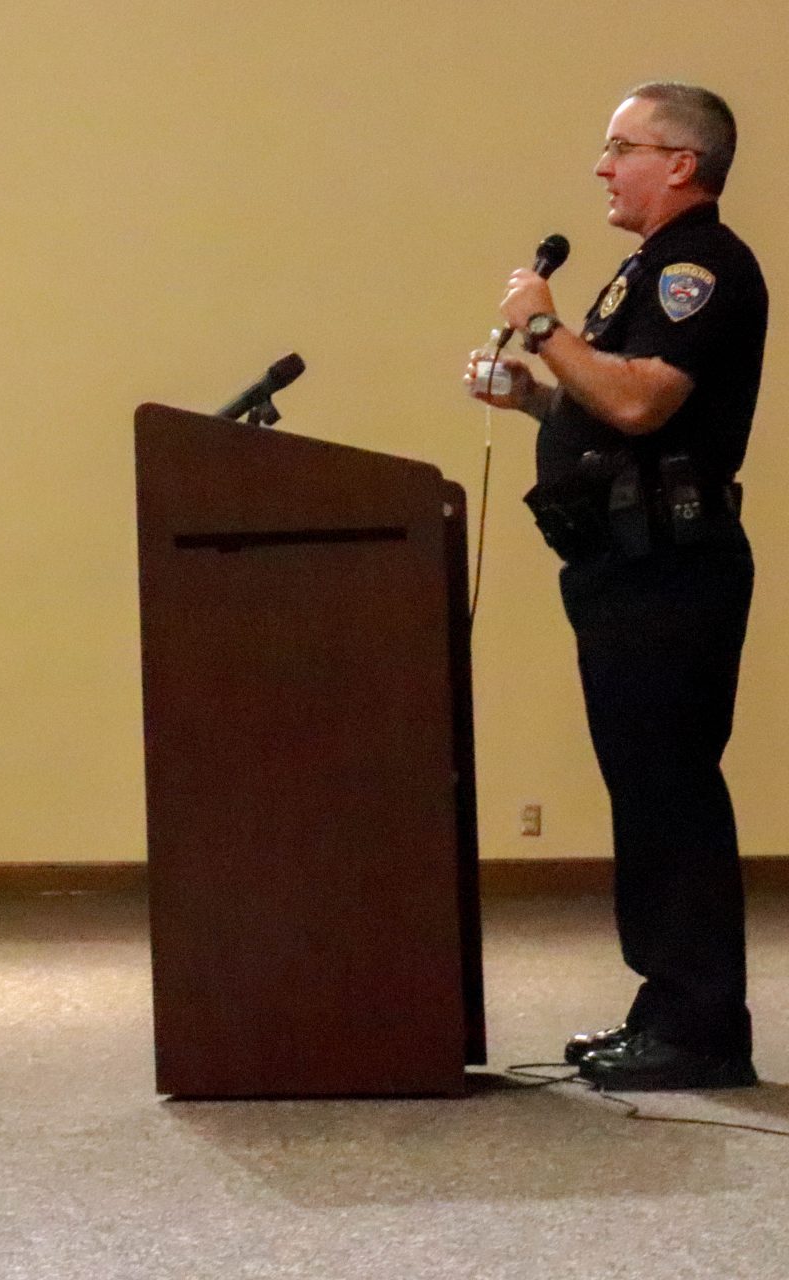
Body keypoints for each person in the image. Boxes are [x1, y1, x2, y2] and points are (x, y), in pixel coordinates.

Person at [468, 82, 767, 1090]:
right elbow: (612, 407)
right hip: (627, 565)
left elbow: (642, 403)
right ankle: (668, 1004)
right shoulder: (650, 269)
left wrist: (546, 329)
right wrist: (538, 398)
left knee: (671, 793)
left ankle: (700, 1027)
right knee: (646, 794)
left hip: (670, 568)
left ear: (681, 163)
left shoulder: (704, 269)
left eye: (621, 147)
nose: (603, 165)